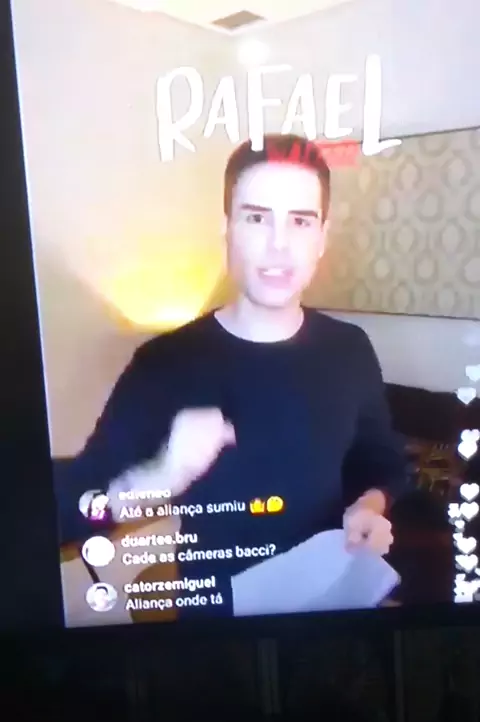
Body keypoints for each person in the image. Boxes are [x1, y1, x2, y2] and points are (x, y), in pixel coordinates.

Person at [54, 133, 408, 614]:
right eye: (256, 217)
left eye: (300, 221)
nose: (279, 245)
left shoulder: (349, 348)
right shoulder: (168, 362)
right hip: (219, 630)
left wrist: (370, 504)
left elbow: (381, 460)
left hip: (331, 611)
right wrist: (164, 475)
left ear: (322, 237)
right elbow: (68, 512)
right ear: (228, 229)